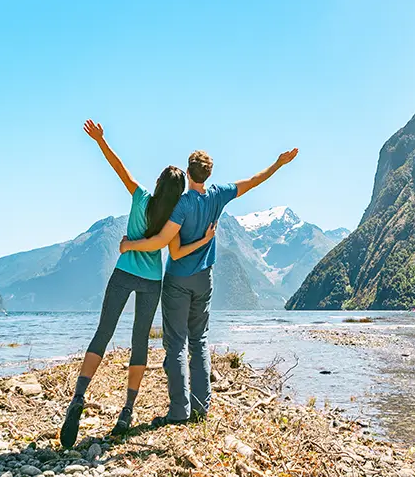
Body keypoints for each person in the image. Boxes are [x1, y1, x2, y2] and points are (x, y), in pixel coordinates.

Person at [60, 121, 214, 448]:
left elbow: (118, 167)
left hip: (123, 273)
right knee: (140, 340)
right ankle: (127, 410)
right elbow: (169, 247)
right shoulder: (176, 213)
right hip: (151, 282)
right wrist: (203, 240)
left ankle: (78, 396)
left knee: (103, 332)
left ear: (158, 183)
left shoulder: (141, 196)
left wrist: (101, 140)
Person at [120, 146, 298, 426]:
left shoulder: (181, 205)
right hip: (205, 279)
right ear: (208, 173)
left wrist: (129, 245)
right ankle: (202, 409)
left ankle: (179, 411)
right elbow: (253, 181)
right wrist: (278, 163)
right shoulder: (218, 195)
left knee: (176, 344)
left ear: (188, 172)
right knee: (199, 342)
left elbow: (175, 252)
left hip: (178, 280)